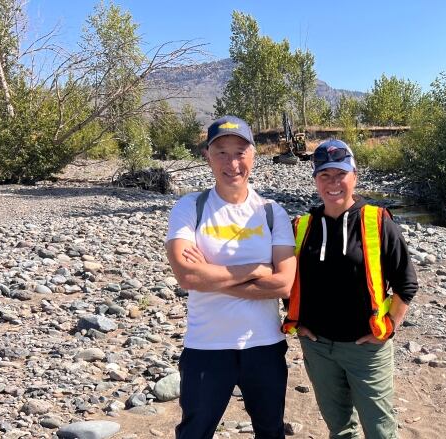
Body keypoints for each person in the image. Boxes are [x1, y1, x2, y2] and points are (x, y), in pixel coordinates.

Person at [165, 115, 296, 439]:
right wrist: (255, 270)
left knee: (270, 431)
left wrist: (212, 276)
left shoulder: (270, 212)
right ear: (207, 156)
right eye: (221, 151)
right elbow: (187, 277)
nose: (231, 162)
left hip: (264, 345)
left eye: (240, 151)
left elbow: (283, 284)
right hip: (206, 346)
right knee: (194, 433)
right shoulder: (190, 207)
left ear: (253, 155)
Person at [282, 139, 418, 439]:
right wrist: (300, 324)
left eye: (340, 174)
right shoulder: (301, 226)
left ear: (354, 176)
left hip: (366, 349)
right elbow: (286, 281)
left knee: (380, 431)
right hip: (318, 348)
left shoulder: (377, 221)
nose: (333, 183)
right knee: (341, 429)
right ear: (316, 179)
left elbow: (406, 284)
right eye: (325, 175)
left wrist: (389, 326)